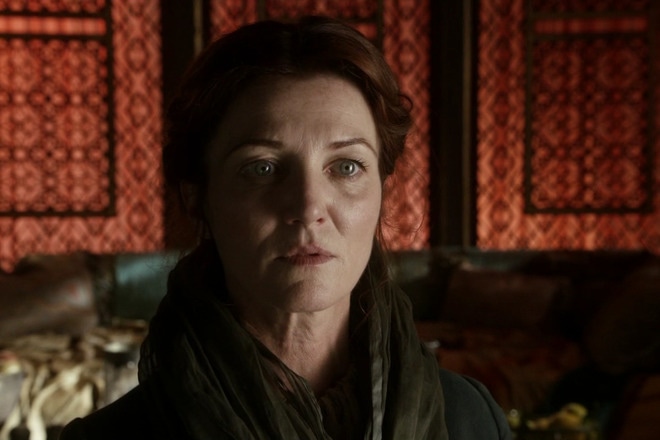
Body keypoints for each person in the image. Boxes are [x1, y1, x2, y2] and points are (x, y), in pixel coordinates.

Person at [59, 16, 511, 440]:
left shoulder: (470, 419)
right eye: (263, 167)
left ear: (382, 189)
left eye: (346, 166)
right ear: (196, 195)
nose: (309, 207)